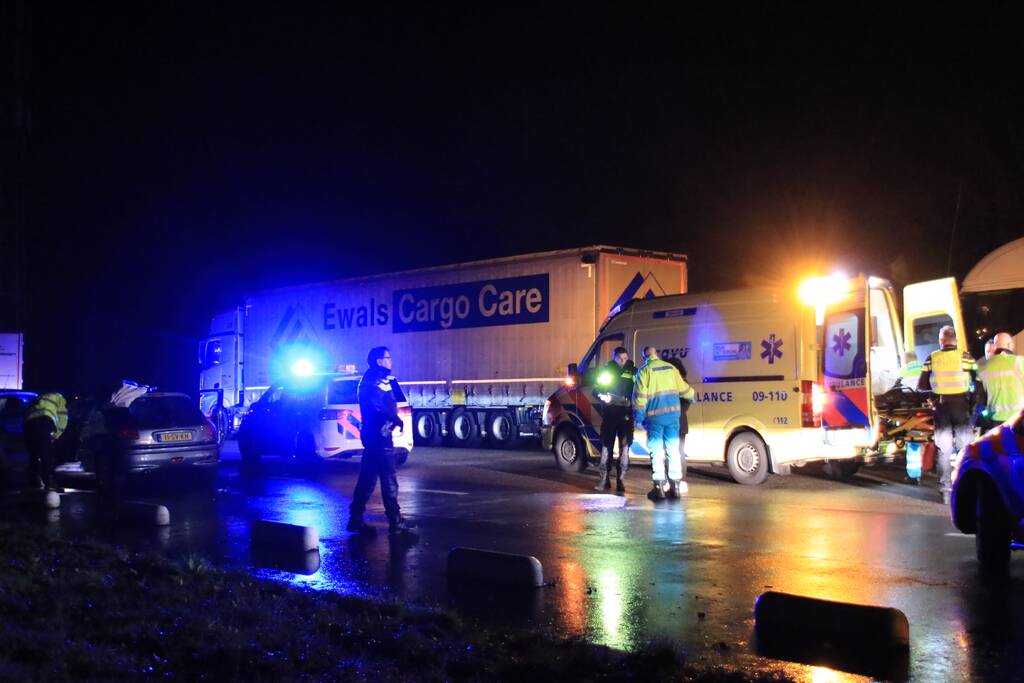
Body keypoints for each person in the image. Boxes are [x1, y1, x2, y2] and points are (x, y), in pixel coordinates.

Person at [347, 346, 416, 536]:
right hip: (379, 436)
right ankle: (395, 521)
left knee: (368, 478)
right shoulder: (372, 382)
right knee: (388, 478)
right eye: (387, 358)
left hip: (376, 435)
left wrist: (393, 419)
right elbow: (376, 408)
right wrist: (394, 419)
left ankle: (355, 519)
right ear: (379, 361)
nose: (390, 361)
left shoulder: (380, 380)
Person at [918, 326, 978, 504]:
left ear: (941, 341)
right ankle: (967, 488)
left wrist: (932, 399)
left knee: (944, 451)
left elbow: (921, 386)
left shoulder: (932, 358)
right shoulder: (965, 357)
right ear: (955, 340)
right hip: (961, 406)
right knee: (964, 450)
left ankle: (945, 491)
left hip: (941, 408)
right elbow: (978, 382)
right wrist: (972, 405)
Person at [633, 347, 695, 501]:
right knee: (673, 450)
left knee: (656, 451)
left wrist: (639, 418)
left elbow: (640, 398)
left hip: (655, 417)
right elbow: (684, 389)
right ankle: (675, 488)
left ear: (645, 356)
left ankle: (659, 488)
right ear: (656, 354)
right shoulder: (671, 369)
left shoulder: (644, 371)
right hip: (673, 416)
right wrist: (692, 395)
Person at [592, 346, 634, 493]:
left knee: (625, 448)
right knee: (606, 447)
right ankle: (604, 479)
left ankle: (621, 480)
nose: (623, 361)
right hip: (610, 414)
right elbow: (596, 391)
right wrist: (604, 397)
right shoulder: (606, 372)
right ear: (614, 358)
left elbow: (639, 391)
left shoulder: (633, 371)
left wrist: (631, 402)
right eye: (620, 359)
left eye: (625, 358)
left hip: (626, 415)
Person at [977, 332, 1024, 432]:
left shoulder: (983, 368)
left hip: (995, 421)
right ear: (1009, 345)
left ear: (995, 346)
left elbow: (980, 398)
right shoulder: (1020, 362)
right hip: (1019, 419)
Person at [22, 392, 69, 493]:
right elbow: (62, 418)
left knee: (33, 455)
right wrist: (55, 436)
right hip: (43, 420)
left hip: (28, 424)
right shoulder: (60, 397)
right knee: (46, 454)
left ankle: (34, 482)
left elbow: (26, 412)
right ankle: (49, 483)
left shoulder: (38, 398)